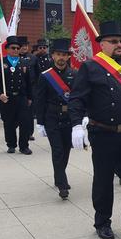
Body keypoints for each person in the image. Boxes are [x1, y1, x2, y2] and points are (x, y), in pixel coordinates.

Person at [69, 21, 121, 239]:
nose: (119, 44)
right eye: (114, 41)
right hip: (103, 133)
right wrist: (77, 125)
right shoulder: (90, 67)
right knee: (104, 180)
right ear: (102, 44)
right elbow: (77, 99)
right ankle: (102, 221)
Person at [36, 39, 75, 200]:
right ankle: (62, 184)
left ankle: (59, 175)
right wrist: (40, 122)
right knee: (57, 150)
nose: (61, 57)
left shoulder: (75, 74)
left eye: (64, 55)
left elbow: (79, 98)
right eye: (58, 54)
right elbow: (40, 100)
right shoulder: (45, 76)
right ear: (53, 55)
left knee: (66, 150)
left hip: (69, 119)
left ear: (68, 57)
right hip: (52, 118)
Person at [0, 36, 33, 155]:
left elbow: (29, 82)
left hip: (21, 97)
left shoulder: (24, 62)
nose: (16, 50)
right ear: (7, 49)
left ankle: (24, 146)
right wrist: (0, 94)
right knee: (9, 122)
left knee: (24, 122)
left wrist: (30, 97)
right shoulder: (1, 62)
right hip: (7, 98)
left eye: (17, 48)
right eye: (13, 48)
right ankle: (11, 144)